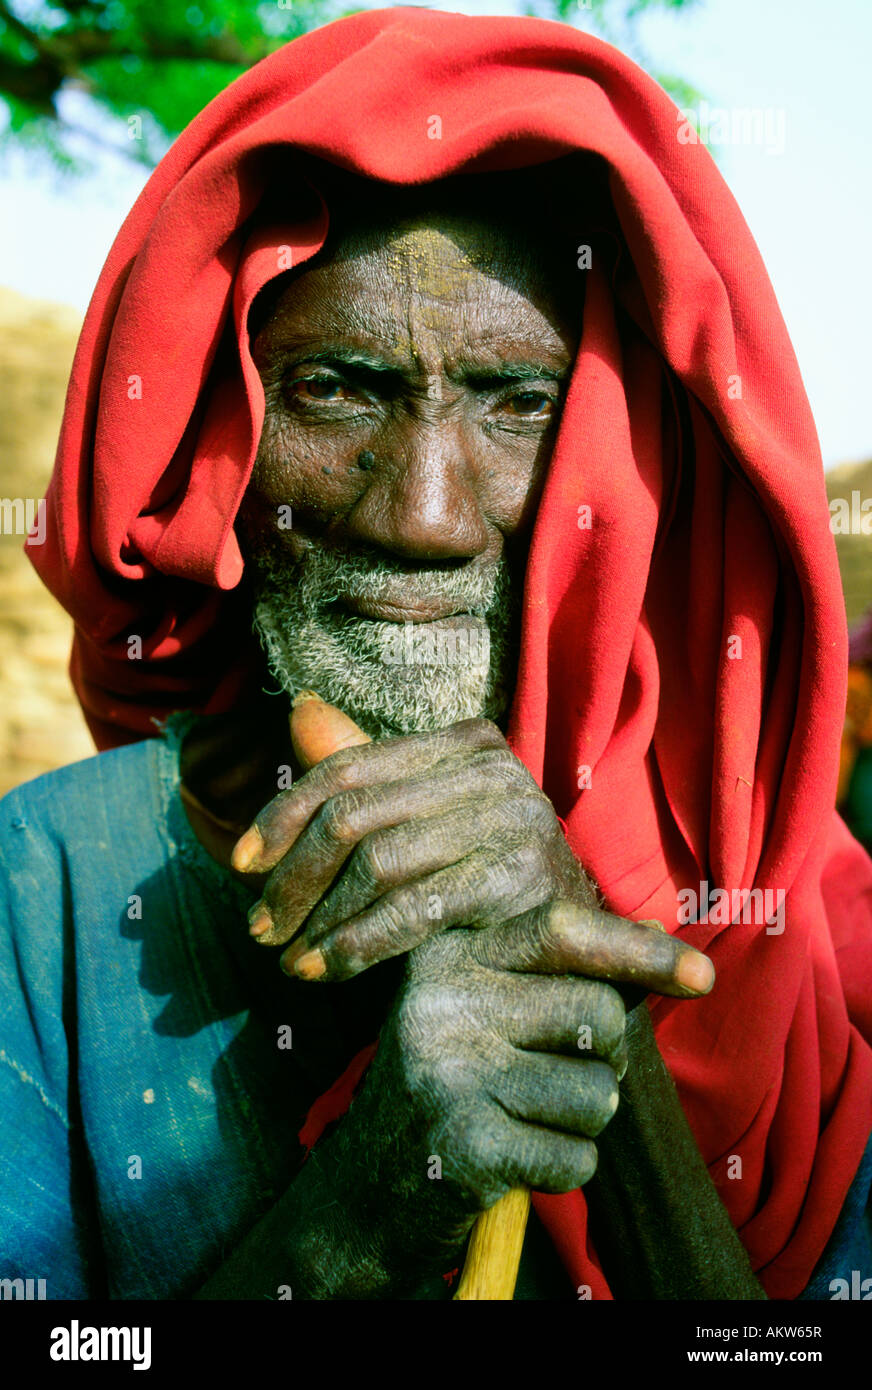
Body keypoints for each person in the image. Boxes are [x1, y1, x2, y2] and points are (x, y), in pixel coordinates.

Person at [2, 7, 871, 1301]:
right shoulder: (49, 889)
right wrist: (364, 1206)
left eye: (518, 404)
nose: (423, 514)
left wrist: (574, 985)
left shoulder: (788, 922)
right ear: (215, 445)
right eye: (338, 387)